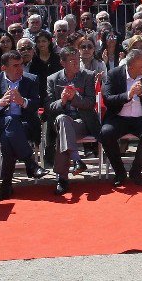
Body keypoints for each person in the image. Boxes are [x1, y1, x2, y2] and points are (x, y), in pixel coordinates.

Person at [0, 50, 46, 201]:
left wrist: (23, 101)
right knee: (10, 122)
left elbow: (37, 104)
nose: (20, 69)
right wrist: (0, 103)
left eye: (21, 65)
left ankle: (6, 186)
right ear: (3, 68)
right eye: (15, 66)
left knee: (8, 138)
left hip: (24, 124)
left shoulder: (31, 79)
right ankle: (30, 163)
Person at [100, 49, 142, 187]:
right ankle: (119, 172)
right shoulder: (114, 74)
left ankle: (136, 171)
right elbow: (108, 99)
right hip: (119, 117)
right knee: (106, 133)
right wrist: (129, 94)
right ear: (131, 67)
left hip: (141, 118)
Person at [46, 46, 101, 196]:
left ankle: (61, 179)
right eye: (72, 61)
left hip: (83, 122)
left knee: (63, 134)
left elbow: (90, 103)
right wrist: (63, 100)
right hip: (62, 122)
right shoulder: (52, 79)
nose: (77, 63)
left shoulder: (88, 76)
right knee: (62, 120)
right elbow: (49, 107)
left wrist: (74, 98)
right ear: (62, 62)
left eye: (78, 60)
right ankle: (76, 160)